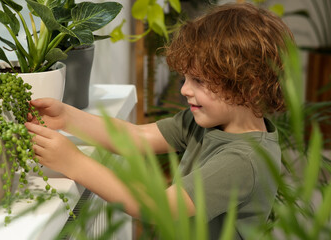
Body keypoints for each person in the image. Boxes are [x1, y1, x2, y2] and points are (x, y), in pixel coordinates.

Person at [25, 2, 294, 239]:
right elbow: (135, 138)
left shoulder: (242, 160)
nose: (185, 90)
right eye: (185, 78)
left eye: (198, 81)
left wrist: (73, 162)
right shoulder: (208, 122)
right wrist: (67, 117)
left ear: (249, 86)